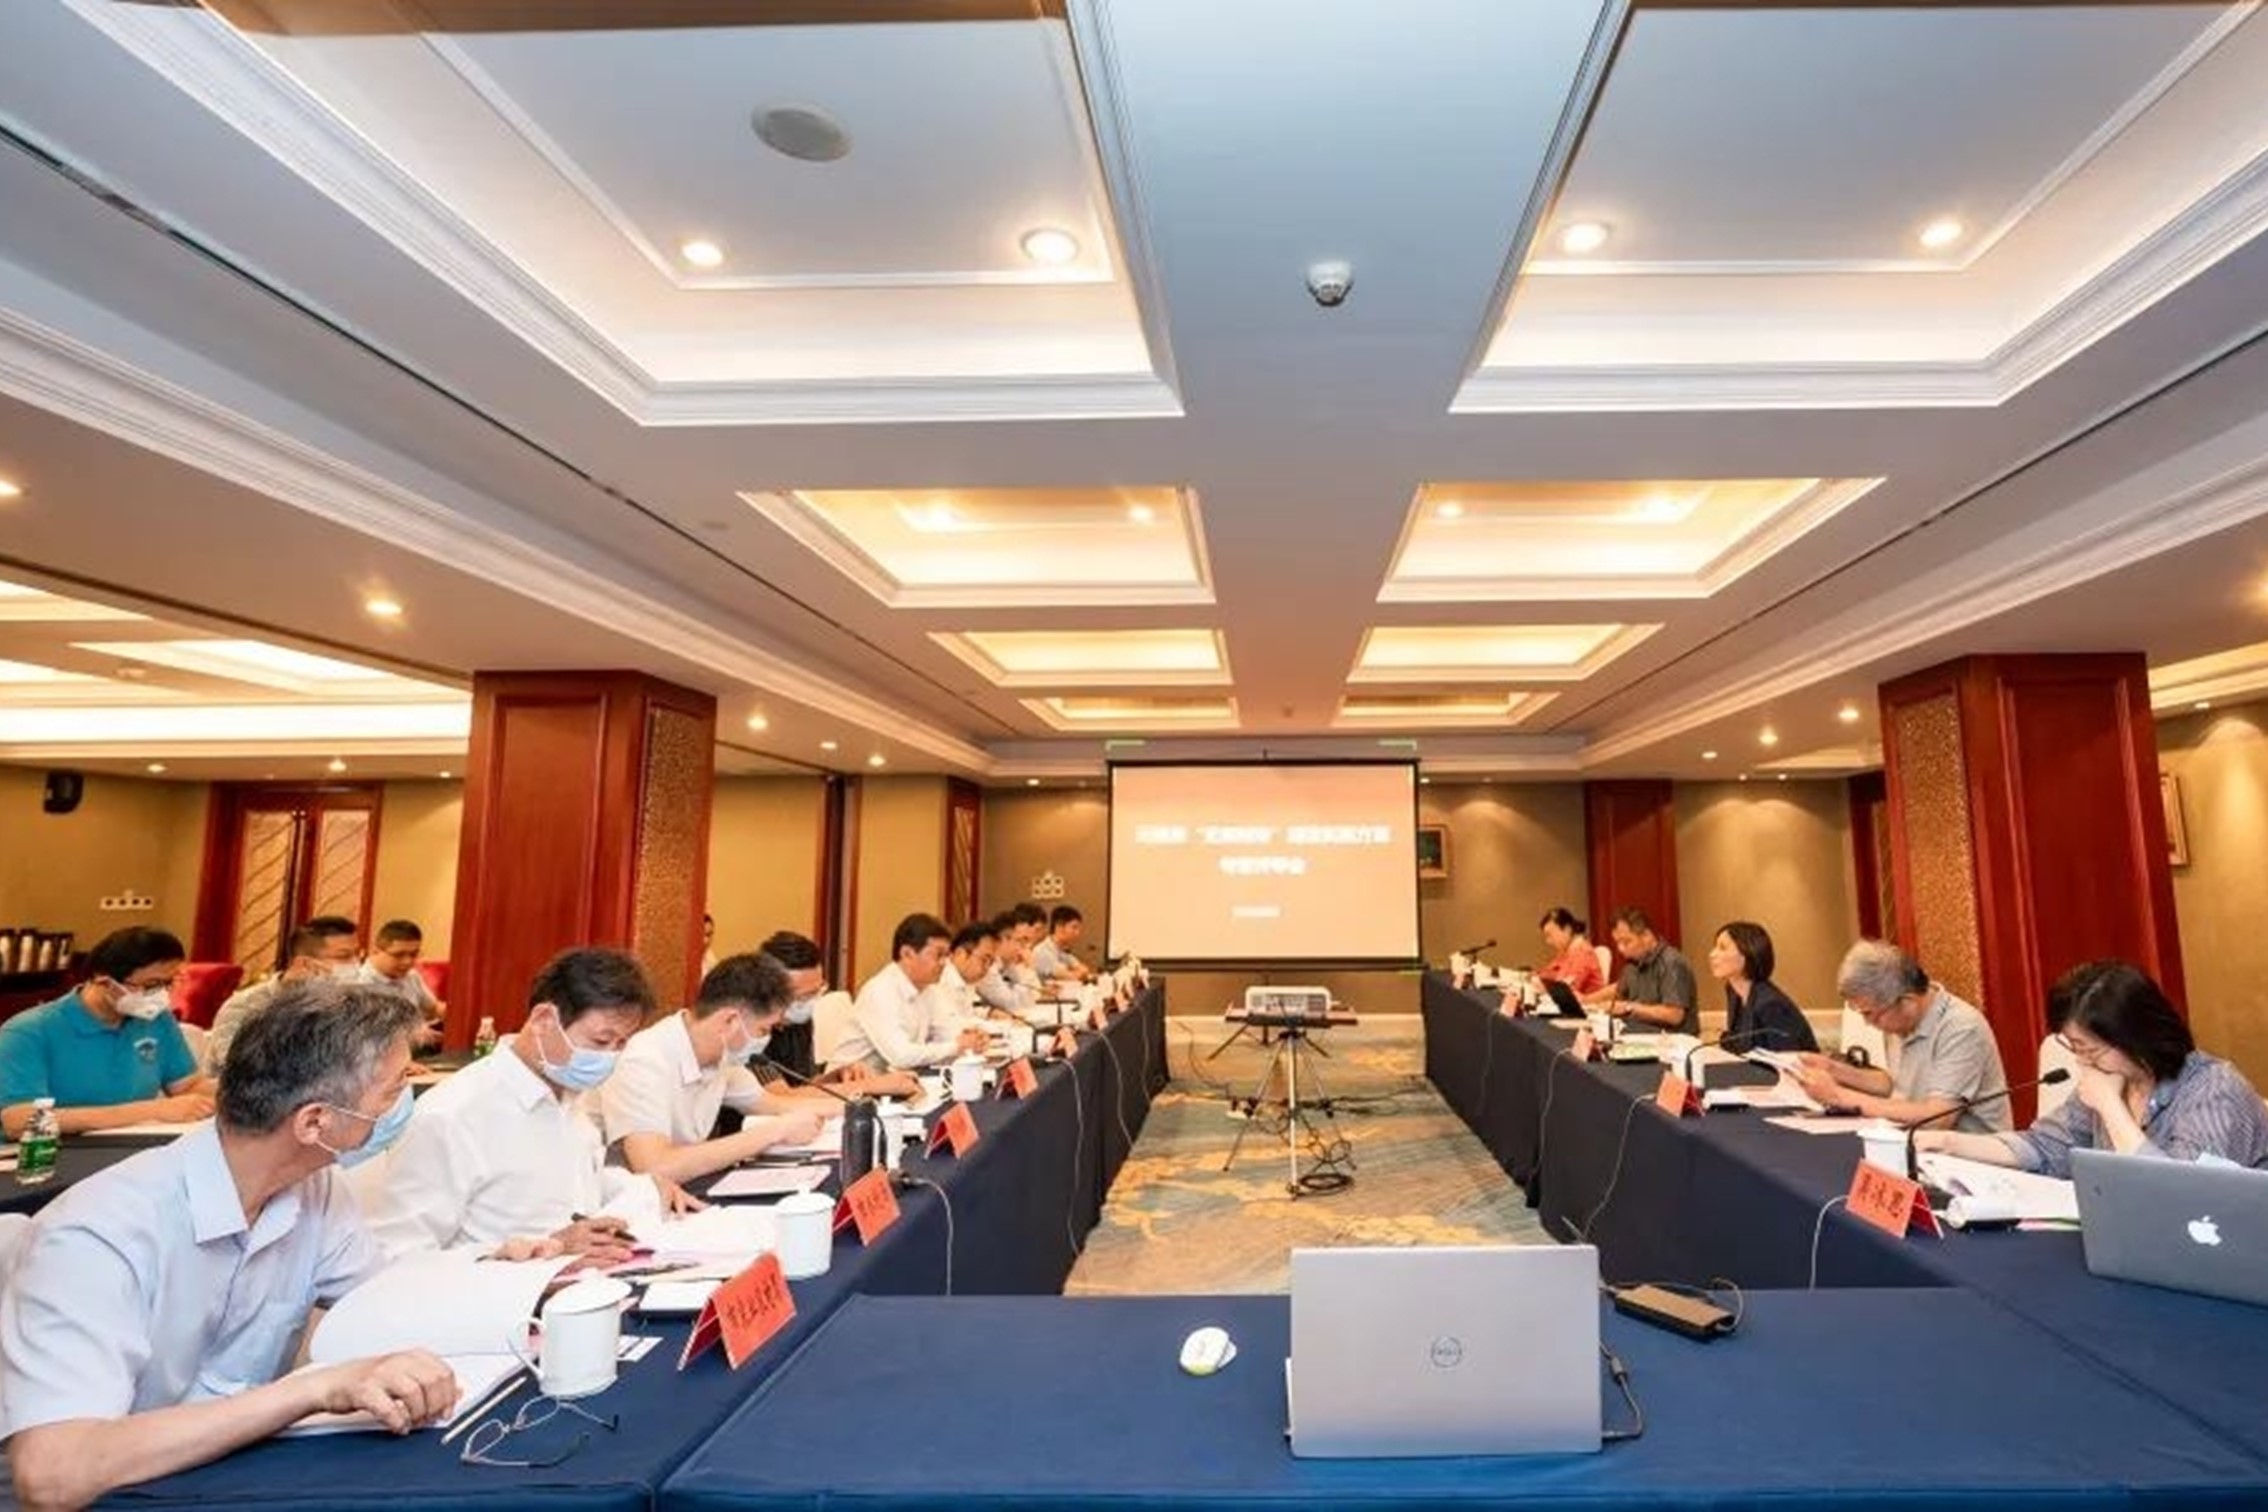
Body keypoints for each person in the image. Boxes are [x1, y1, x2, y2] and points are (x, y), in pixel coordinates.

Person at [0, 982, 455, 1508]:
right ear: (314, 1121)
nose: (404, 1104)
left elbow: (380, 1306)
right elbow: (54, 1475)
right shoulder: (99, 1234)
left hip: (223, 1478)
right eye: (394, 1090)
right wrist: (308, 1391)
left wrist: (492, 1266)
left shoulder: (312, 1187)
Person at [358, 947, 693, 1261]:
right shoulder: (453, 1115)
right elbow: (399, 1255)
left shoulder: (569, 1095)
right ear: (544, 1020)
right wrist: (545, 1250)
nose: (609, 1057)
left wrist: (643, 1187)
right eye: (601, 1040)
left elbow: (570, 1183)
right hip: (493, 1295)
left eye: (621, 1044)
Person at [1915, 960, 2268, 1173]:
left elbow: (2183, 1198)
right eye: (2075, 1048)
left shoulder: (2213, 1089)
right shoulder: (2116, 1076)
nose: (2082, 1061)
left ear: (2136, 1035)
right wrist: (1950, 1142)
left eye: (2090, 1050)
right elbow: (2045, 1146)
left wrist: (2112, 1109)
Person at [598, 953, 825, 1184]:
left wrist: (847, 1108)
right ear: (729, 1021)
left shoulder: (723, 1055)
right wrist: (774, 1132)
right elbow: (655, 1167)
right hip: (628, 1198)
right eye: (763, 1030)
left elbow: (774, 1103)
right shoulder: (644, 1060)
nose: (764, 1040)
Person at [0, 926, 211, 1139]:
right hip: (50, 1152)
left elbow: (188, 1086)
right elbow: (19, 1121)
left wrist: (229, 1095)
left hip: (133, 1145)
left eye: (169, 983)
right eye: (151, 985)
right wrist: (151, 1111)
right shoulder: (28, 1032)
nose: (160, 995)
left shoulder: (156, 1020)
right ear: (104, 980)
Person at [1793, 941, 2010, 1131]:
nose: (1868, 1023)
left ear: (1907, 1002)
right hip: (1913, 1144)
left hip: (1968, 1158)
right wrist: (1833, 1069)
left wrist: (1838, 1096)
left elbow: (1937, 1118)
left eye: (1870, 1014)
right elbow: (1894, 1085)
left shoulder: (1961, 1027)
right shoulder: (1901, 1018)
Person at [752, 930, 917, 1099]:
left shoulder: (798, 1021)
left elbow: (803, 1087)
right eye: (804, 996)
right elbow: (780, 1098)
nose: (812, 1002)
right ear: (770, 991)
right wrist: (870, 1086)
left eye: (818, 991)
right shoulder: (750, 1030)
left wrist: (838, 1076)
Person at [828, 913, 991, 1073]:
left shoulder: (929, 989)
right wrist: (956, 1046)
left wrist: (972, 1038)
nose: (944, 963)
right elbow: (901, 1056)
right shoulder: (880, 991)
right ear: (906, 954)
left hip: (895, 1078)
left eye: (946, 956)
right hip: (850, 1084)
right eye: (938, 955)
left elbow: (947, 1031)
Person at [206, 916, 365, 1071]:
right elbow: (238, 1069)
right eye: (344, 956)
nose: (356, 963)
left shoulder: (349, 1004)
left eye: (358, 954)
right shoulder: (245, 1006)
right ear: (304, 964)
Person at [1582, 907, 1698, 1033]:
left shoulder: (1672, 962)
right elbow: (1619, 990)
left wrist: (1629, 1007)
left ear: (1646, 936)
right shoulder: (1633, 964)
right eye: (1617, 943)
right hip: (1640, 1031)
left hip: (1671, 1037)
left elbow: (1674, 1015)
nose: (1620, 949)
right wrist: (1586, 1000)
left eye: (1626, 942)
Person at [1708, 920, 1818, 1053]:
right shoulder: (1733, 992)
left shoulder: (1770, 1004)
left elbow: (1787, 1058)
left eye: (1722, 948)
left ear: (1747, 953)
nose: (1712, 954)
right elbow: (1738, 1043)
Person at [358, 918, 444, 1051]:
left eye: (414, 954)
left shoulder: (411, 976)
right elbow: (369, 1037)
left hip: (420, 1047)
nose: (407, 962)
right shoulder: (360, 984)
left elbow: (433, 1008)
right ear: (376, 951)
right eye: (399, 955)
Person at [974, 909, 1037, 1015]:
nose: (1023, 947)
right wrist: (1028, 969)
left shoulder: (1008, 965)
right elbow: (1009, 1005)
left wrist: (1027, 968)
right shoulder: (987, 965)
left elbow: (1030, 999)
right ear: (1002, 940)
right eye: (1019, 941)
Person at [937, 920, 1001, 1020]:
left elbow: (971, 1008)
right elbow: (954, 1022)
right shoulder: (941, 980)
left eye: (991, 962)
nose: (987, 968)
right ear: (960, 954)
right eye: (984, 960)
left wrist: (990, 1013)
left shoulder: (966, 980)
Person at [1533, 907, 1605, 996]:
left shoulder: (1582, 951)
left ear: (1567, 929)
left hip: (1586, 1003)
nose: (1548, 941)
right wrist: (1533, 976)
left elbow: (1567, 987)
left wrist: (1542, 985)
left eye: (1550, 935)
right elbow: (1550, 971)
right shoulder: (1565, 950)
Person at [1031, 905, 1092, 983]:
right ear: (1059, 927)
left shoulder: (1062, 950)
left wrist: (1078, 972)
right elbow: (1070, 977)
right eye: (1074, 927)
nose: (1077, 933)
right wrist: (1075, 973)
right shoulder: (1042, 951)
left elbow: (1084, 970)